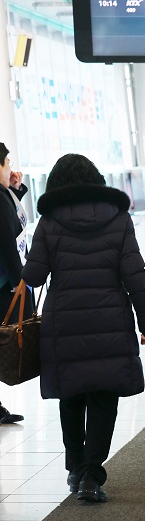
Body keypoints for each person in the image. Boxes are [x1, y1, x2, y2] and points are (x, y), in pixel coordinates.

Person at [22, 154, 145, 503]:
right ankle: (91, 476)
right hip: (109, 321)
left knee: (70, 396)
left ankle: (74, 467)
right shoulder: (119, 218)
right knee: (103, 396)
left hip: (63, 322)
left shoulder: (49, 221)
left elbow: (33, 276)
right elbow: (134, 274)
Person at [0, 142, 31, 426]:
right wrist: (17, 281)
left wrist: (16, 189)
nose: (11, 168)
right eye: (6, 163)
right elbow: (8, 242)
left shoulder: (2, 194)